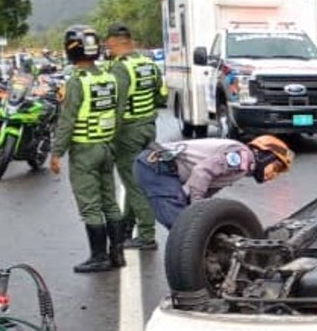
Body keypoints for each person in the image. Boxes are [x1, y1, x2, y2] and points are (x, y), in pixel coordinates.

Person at [50, 25, 126, 273]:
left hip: (84, 151)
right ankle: (117, 254)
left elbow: (67, 121)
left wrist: (56, 153)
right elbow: (117, 114)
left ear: (71, 51)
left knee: (91, 206)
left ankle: (98, 257)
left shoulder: (77, 82)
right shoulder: (108, 78)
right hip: (106, 147)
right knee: (110, 202)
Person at [133, 135, 293, 229]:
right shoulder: (241, 157)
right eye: (276, 167)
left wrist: (200, 209)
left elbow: (206, 188)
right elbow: (202, 172)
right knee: (183, 227)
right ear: (265, 155)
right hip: (156, 165)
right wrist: (197, 209)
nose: (274, 174)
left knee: (189, 225)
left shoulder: (241, 168)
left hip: (161, 167)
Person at [105, 22, 168, 251]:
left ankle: (146, 235)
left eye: (108, 42)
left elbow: (117, 106)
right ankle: (126, 227)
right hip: (148, 127)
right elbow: (162, 96)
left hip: (128, 132)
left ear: (115, 41)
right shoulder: (148, 63)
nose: (106, 46)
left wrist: (109, 136)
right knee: (138, 177)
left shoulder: (120, 68)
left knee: (133, 184)